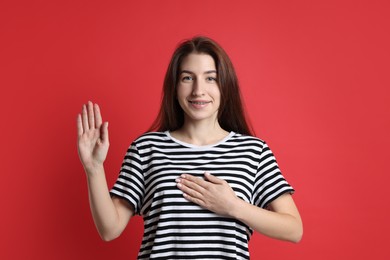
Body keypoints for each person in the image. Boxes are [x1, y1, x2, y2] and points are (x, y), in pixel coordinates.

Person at [77, 36, 303, 259]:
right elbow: (109, 229)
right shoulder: (146, 148)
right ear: (175, 86)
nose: (198, 90)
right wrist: (94, 169)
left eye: (210, 78)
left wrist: (233, 206)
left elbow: (294, 229)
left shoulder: (254, 151)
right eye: (187, 78)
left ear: (226, 85)